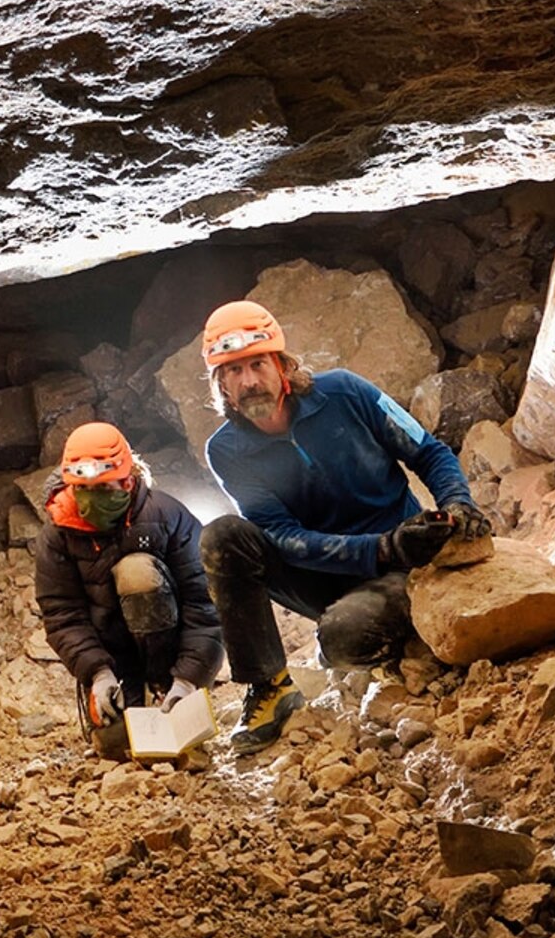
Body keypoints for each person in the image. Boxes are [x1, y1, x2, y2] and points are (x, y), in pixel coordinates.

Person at [195, 300, 485, 749]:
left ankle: (411, 632)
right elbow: (281, 535)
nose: (248, 381)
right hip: (326, 573)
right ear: (221, 386)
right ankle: (270, 689)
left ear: (281, 364)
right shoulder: (227, 450)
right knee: (222, 538)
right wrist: (380, 546)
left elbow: (428, 451)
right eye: (232, 372)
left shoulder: (347, 393)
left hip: (399, 568)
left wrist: (457, 503)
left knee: (343, 640)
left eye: (257, 364)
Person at [30, 421, 224, 761]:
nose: (93, 501)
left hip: (171, 649)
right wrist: (97, 673)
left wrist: (188, 678)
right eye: (83, 490)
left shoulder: (166, 516)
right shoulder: (58, 534)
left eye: (104, 488)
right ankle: (129, 693)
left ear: (128, 479)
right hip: (112, 657)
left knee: (137, 573)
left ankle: (164, 688)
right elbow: (62, 616)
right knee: (116, 747)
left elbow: (204, 601)